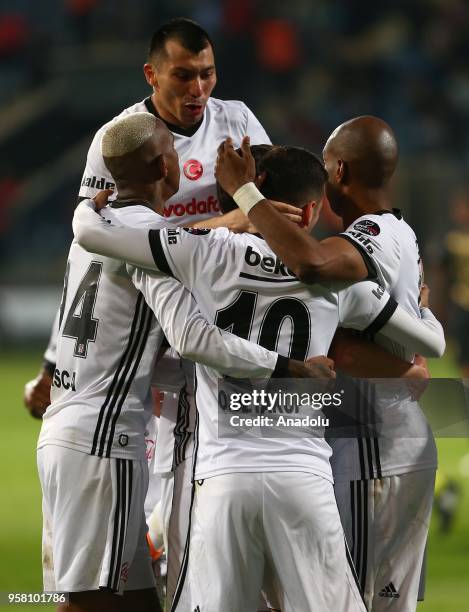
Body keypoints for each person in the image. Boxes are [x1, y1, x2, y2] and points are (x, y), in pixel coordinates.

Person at [73, 131, 444, 611]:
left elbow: (93, 235)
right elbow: (429, 342)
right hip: (302, 477)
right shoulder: (339, 280)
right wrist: (423, 313)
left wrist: (86, 208)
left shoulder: (204, 254)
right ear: (308, 212)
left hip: (223, 480)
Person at [38, 112, 329, 612]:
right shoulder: (146, 245)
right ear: (163, 167)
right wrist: (288, 367)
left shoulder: (99, 220)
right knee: (89, 601)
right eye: (175, 153)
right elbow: (193, 337)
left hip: (74, 428)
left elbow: (157, 240)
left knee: (134, 601)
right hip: (106, 439)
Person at [215, 116, 441, 610]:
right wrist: (409, 368)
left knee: (353, 600)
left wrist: (246, 196)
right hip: (386, 439)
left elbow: (314, 269)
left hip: (374, 447)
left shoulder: (373, 235)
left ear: (339, 171)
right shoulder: (396, 230)